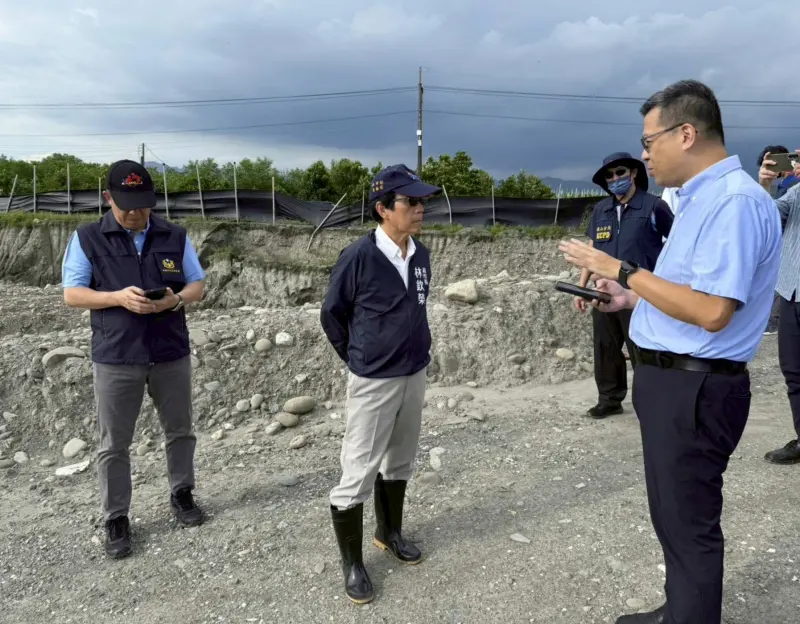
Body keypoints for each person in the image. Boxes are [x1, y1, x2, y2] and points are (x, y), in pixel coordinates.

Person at [559, 79, 781, 624]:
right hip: (675, 379)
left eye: (648, 141)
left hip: (694, 386)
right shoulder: (701, 199)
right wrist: (630, 297)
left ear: (685, 134)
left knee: (689, 523)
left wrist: (620, 269)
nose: (643, 156)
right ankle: (680, 610)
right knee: (674, 516)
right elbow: (688, 292)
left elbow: (713, 311)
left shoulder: (733, 203)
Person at [62, 160, 207, 559]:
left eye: (142, 204)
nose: (135, 213)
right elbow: (72, 293)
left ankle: (182, 493)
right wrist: (116, 298)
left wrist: (175, 300)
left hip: (170, 351)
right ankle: (116, 517)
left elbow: (197, 285)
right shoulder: (88, 238)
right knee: (114, 443)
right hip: (116, 356)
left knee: (180, 430)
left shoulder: (174, 235)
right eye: (126, 205)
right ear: (108, 198)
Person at [320, 164, 441, 604]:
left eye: (422, 201)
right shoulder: (359, 256)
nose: (420, 208)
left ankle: (389, 532)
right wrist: (361, 358)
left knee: (401, 459)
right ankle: (352, 563)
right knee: (358, 469)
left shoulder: (420, 254)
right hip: (374, 378)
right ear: (383, 209)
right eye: (411, 201)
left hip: (413, 372)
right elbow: (332, 315)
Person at [577, 152, 673, 419]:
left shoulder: (653, 206)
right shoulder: (601, 210)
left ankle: (651, 402)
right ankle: (609, 399)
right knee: (606, 347)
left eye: (620, 172)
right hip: (604, 291)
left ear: (633, 173)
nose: (614, 178)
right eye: (609, 176)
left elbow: (677, 244)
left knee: (642, 348)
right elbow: (592, 250)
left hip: (640, 292)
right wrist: (582, 287)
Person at [758, 149, 800, 464]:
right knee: (794, 372)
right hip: (791, 292)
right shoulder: (796, 193)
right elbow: (765, 219)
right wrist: (765, 185)